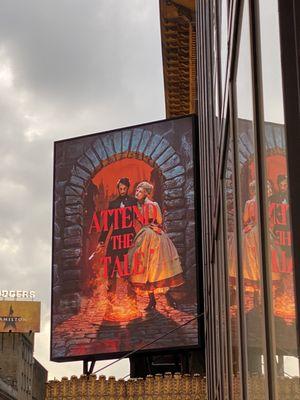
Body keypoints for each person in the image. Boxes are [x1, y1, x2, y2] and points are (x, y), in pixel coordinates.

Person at [128, 181, 184, 310]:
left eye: (140, 191)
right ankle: (152, 300)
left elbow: (158, 221)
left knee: (157, 269)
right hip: (143, 235)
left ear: (146, 193)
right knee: (145, 269)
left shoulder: (152, 205)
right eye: (136, 190)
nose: (137, 193)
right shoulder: (137, 205)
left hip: (153, 237)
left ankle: (168, 297)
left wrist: (154, 226)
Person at [96, 177, 137, 297]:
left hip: (129, 238)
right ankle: (110, 301)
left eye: (125, 188)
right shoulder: (113, 204)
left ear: (128, 188)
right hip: (115, 239)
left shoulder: (133, 202)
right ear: (118, 189)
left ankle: (132, 301)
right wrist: (101, 241)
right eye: (120, 188)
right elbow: (107, 224)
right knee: (111, 269)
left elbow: (140, 217)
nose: (122, 190)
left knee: (131, 270)